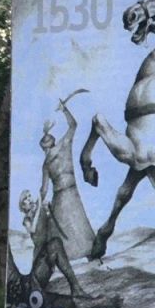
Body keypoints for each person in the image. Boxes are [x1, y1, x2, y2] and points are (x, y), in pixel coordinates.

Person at [37, 98, 96, 259]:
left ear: (45, 147)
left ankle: (79, 257)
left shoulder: (50, 159)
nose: (46, 151)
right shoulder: (61, 148)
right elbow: (73, 125)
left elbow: (44, 189)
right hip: (66, 193)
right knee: (73, 227)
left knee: (74, 227)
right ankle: (85, 256)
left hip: (64, 194)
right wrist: (64, 109)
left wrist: (40, 201)